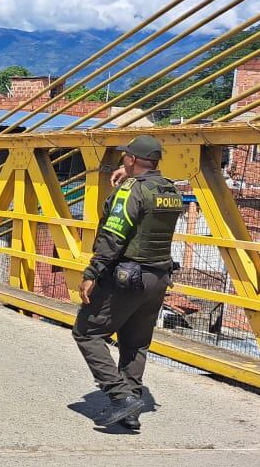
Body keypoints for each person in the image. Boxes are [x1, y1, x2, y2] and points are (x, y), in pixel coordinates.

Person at [74, 135, 183, 429]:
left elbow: (114, 235)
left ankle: (120, 397)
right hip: (158, 278)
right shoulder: (168, 189)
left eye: (126, 157)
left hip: (127, 277)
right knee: (135, 343)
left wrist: (92, 273)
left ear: (133, 159)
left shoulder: (131, 191)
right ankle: (131, 410)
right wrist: (128, 181)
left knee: (86, 331)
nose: (122, 160)